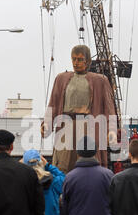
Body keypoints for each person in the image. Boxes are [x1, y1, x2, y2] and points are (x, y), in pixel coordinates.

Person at [41, 44, 117, 174]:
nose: (76, 63)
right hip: (66, 125)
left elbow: (109, 109)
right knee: (62, 163)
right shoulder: (61, 79)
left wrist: (112, 130)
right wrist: (47, 124)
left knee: (89, 162)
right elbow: (52, 104)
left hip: (89, 125)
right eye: (73, 59)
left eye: (80, 59)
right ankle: (63, 190)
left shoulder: (100, 81)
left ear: (87, 61)